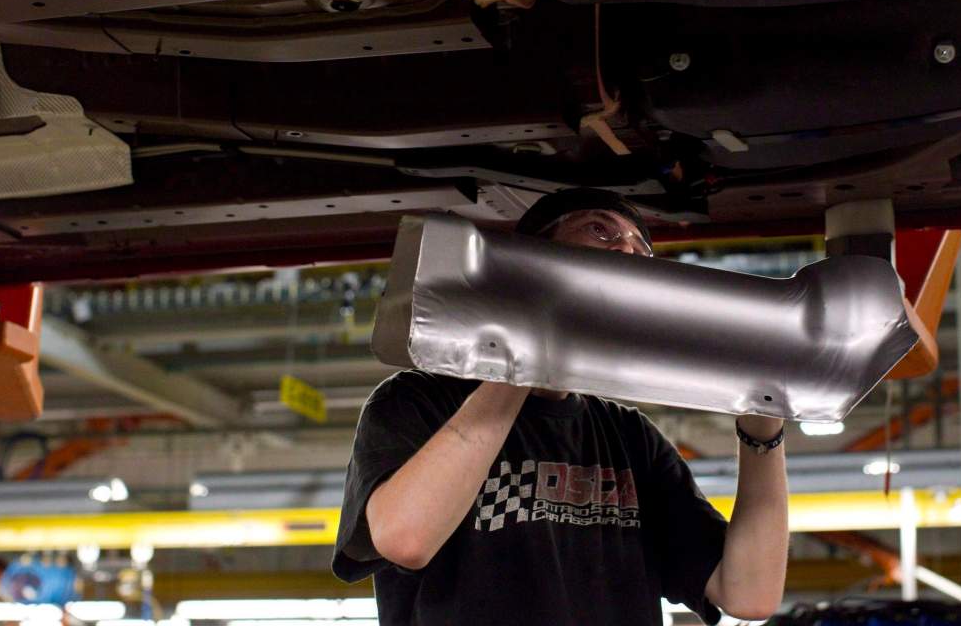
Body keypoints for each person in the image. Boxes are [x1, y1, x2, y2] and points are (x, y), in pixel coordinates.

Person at [332, 188, 789, 625]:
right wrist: (527, 349)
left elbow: (749, 595)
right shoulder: (418, 401)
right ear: (533, 259)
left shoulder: (630, 437)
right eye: (601, 231)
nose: (628, 252)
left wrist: (762, 430)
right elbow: (405, 539)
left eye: (641, 249)